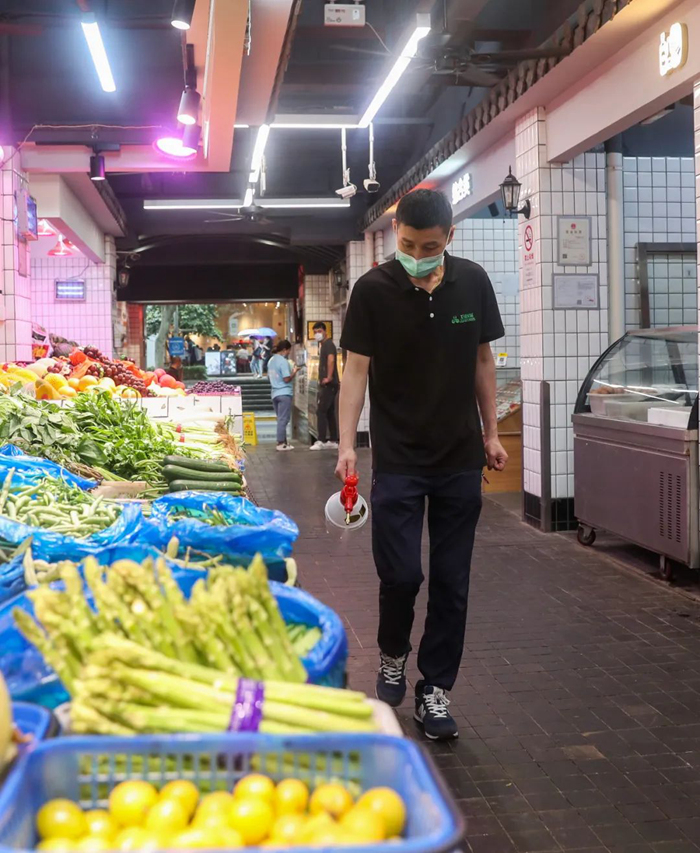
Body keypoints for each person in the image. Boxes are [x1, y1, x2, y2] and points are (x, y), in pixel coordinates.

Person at [336, 189, 508, 741]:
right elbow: (356, 370)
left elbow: (483, 361)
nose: (416, 254)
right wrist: (346, 444)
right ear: (395, 232)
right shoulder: (372, 290)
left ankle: (435, 690)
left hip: (459, 457)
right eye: (408, 244)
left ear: (449, 237)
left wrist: (491, 433)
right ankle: (393, 654)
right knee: (403, 574)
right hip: (399, 460)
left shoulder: (473, 282)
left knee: (452, 582)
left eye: (428, 247)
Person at [310, 322, 339, 451]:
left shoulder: (328, 345)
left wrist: (329, 377)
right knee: (329, 412)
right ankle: (333, 439)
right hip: (329, 384)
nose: (317, 334)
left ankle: (321, 440)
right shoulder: (324, 345)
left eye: (319, 331)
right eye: (315, 332)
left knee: (321, 411)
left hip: (329, 384)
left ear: (325, 331)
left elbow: (331, 360)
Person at [268, 340, 300, 451]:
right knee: (283, 419)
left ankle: (284, 442)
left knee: (281, 419)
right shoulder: (283, 361)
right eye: (289, 350)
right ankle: (281, 443)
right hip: (284, 393)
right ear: (284, 350)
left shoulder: (271, 361)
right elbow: (286, 379)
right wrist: (294, 372)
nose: (289, 352)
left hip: (274, 393)